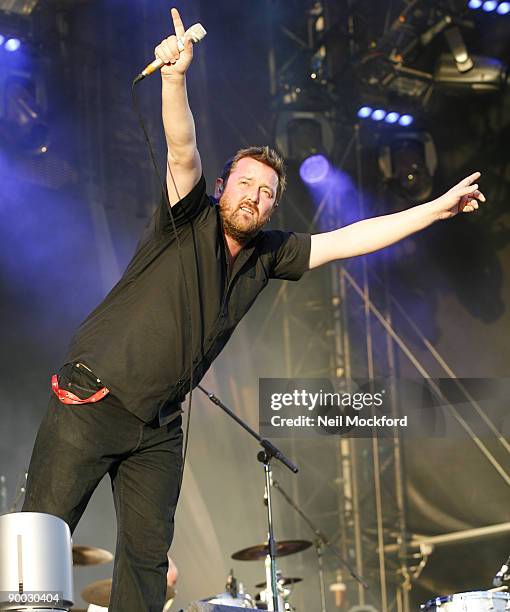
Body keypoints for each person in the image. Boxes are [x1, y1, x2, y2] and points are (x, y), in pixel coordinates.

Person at [21, 7, 486, 612]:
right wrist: (174, 78)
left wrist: (433, 210)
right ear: (223, 188)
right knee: (38, 547)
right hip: (93, 398)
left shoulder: (270, 253)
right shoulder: (186, 217)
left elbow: (349, 239)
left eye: (267, 193)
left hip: (157, 426)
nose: (255, 197)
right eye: (245, 184)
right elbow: (182, 146)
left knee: (146, 567)